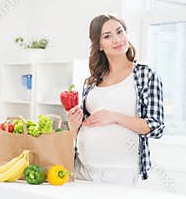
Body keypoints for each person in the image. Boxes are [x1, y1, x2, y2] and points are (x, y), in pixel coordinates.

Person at [67, 13, 165, 186]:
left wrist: (114, 116)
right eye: (107, 36)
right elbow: (85, 124)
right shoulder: (91, 82)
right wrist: (74, 126)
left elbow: (156, 127)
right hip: (83, 170)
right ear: (99, 45)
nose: (117, 39)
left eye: (120, 32)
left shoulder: (144, 75)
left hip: (122, 173)